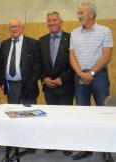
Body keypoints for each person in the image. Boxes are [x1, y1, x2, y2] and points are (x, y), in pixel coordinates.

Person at [70, 2, 113, 161]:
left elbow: (107, 55)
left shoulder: (105, 31)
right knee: (83, 114)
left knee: (104, 113)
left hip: (99, 77)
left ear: (91, 14)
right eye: (78, 12)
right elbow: (72, 56)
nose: (78, 15)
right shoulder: (74, 33)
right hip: (79, 77)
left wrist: (91, 73)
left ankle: (106, 150)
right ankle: (85, 148)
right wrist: (81, 73)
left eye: (81, 12)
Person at [38, 11, 74, 156]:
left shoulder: (70, 38)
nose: (51, 23)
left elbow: (74, 64)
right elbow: (39, 63)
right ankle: (53, 143)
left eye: (54, 20)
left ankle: (67, 144)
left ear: (61, 22)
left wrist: (62, 79)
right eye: (49, 20)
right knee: (51, 116)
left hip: (65, 85)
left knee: (65, 117)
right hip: (49, 86)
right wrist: (44, 78)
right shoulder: (42, 40)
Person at [1, 18, 41, 105]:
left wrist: (31, 82)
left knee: (29, 115)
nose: (14, 29)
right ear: (9, 29)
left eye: (16, 26)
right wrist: (2, 81)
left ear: (22, 28)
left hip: (29, 86)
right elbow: (1, 64)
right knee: (13, 113)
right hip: (11, 86)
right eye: (12, 27)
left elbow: (37, 65)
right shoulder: (4, 44)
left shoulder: (33, 43)